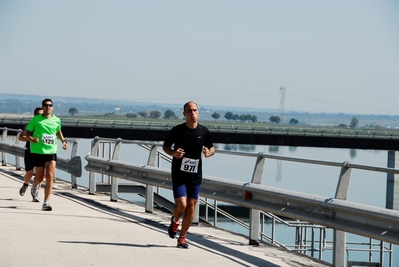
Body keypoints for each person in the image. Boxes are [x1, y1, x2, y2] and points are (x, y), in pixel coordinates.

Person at [162, 101, 215, 248]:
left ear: (198, 112)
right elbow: (165, 146)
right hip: (179, 174)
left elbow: (212, 147)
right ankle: (175, 221)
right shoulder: (178, 130)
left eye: (195, 110)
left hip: (195, 176)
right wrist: (173, 153)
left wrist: (209, 152)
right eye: (189, 111)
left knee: (191, 207)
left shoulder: (204, 131)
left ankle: (182, 237)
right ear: (184, 114)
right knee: (181, 205)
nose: (193, 113)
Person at [26, 98, 68, 211]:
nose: (47, 107)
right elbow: (27, 133)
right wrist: (32, 139)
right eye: (45, 105)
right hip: (38, 152)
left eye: (50, 105)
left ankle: (46, 202)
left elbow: (58, 131)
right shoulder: (36, 120)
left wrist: (63, 141)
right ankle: (35, 185)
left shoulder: (57, 120)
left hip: (51, 151)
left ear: (52, 107)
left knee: (50, 176)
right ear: (42, 107)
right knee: (40, 177)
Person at [18, 107, 44, 202]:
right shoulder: (30, 125)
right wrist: (31, 139)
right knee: (29, 175)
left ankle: (35, 193)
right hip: (30, 152)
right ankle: (26, 183)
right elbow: (21, 137)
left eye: (42, 114)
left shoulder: (47, 125)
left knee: (40, 175)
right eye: (38, 114)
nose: (40, 116)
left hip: (42, 152)